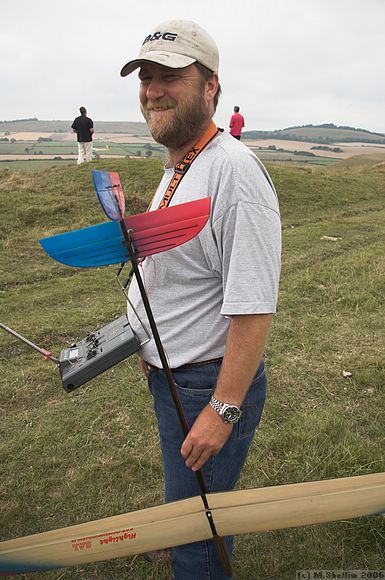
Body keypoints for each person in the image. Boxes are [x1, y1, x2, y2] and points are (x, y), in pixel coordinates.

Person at [121, 19, 281, 580]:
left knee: (199, 534)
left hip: (204, 385)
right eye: (145, 77)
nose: (152, 89)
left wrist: (223, 408)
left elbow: (254, 304)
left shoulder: (233, 172)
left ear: (211, 86)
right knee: (190, 499)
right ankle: (182, 524)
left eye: (170, 76)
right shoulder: (182, 162)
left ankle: (190, 546)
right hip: (173, 376)